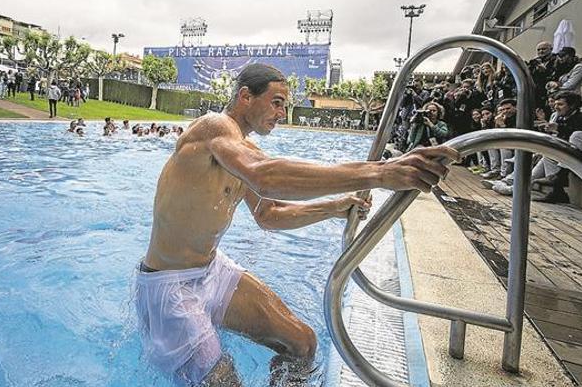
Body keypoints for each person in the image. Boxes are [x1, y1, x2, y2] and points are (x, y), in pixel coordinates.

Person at [136, 64, 459, 385]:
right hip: (170, 286)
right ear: (245, 96)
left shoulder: (243, 152)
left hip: (211, 272)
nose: (282, 113)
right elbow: (265, 177)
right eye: (277, 102)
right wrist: (380, 172)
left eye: (285, 105)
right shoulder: (214, 127)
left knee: (302, 343)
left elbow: (269, 213)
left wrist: (333, 207)